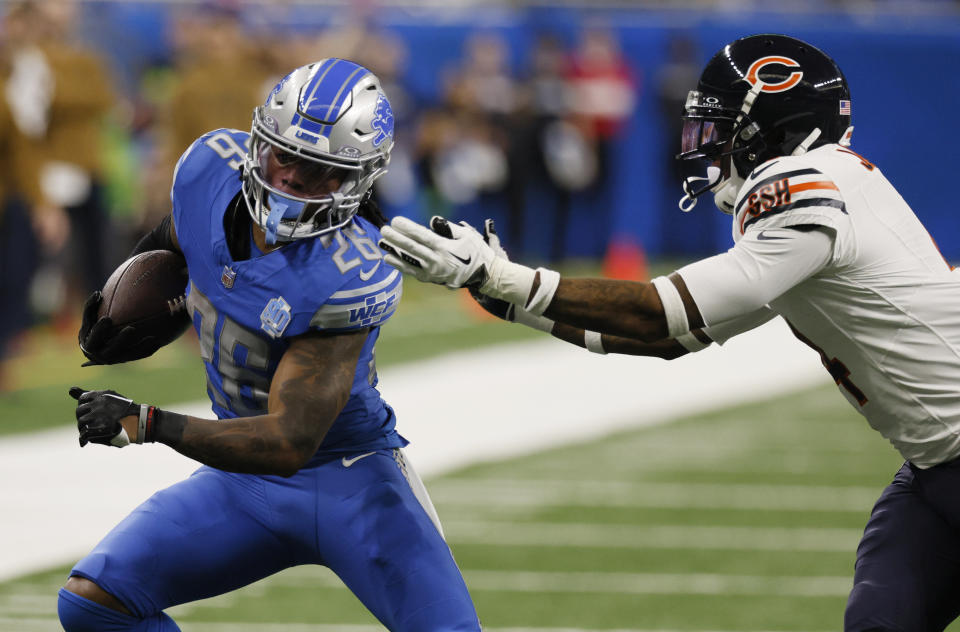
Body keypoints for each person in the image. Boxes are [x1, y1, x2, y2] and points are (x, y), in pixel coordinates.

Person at [378, 34, 960, 631]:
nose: (708, 143)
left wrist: (501, 274)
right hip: (931, 466)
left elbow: (659, 312)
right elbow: (668, 340)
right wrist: (508, 302)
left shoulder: (805, 189)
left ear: (774, 126)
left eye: (725, 126)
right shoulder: (830, 192)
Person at [61, 58, 481, 632]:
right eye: (285, 157)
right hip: (242, 482)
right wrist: (128, 302)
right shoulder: (209, 169)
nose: (289, 180)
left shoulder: (353, 270)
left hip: (348, 480)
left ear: (358, 179)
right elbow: (177, 237)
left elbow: (289, 441)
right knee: (92, 601)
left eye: (317, 171)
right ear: (262, 141)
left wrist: (148, 422)